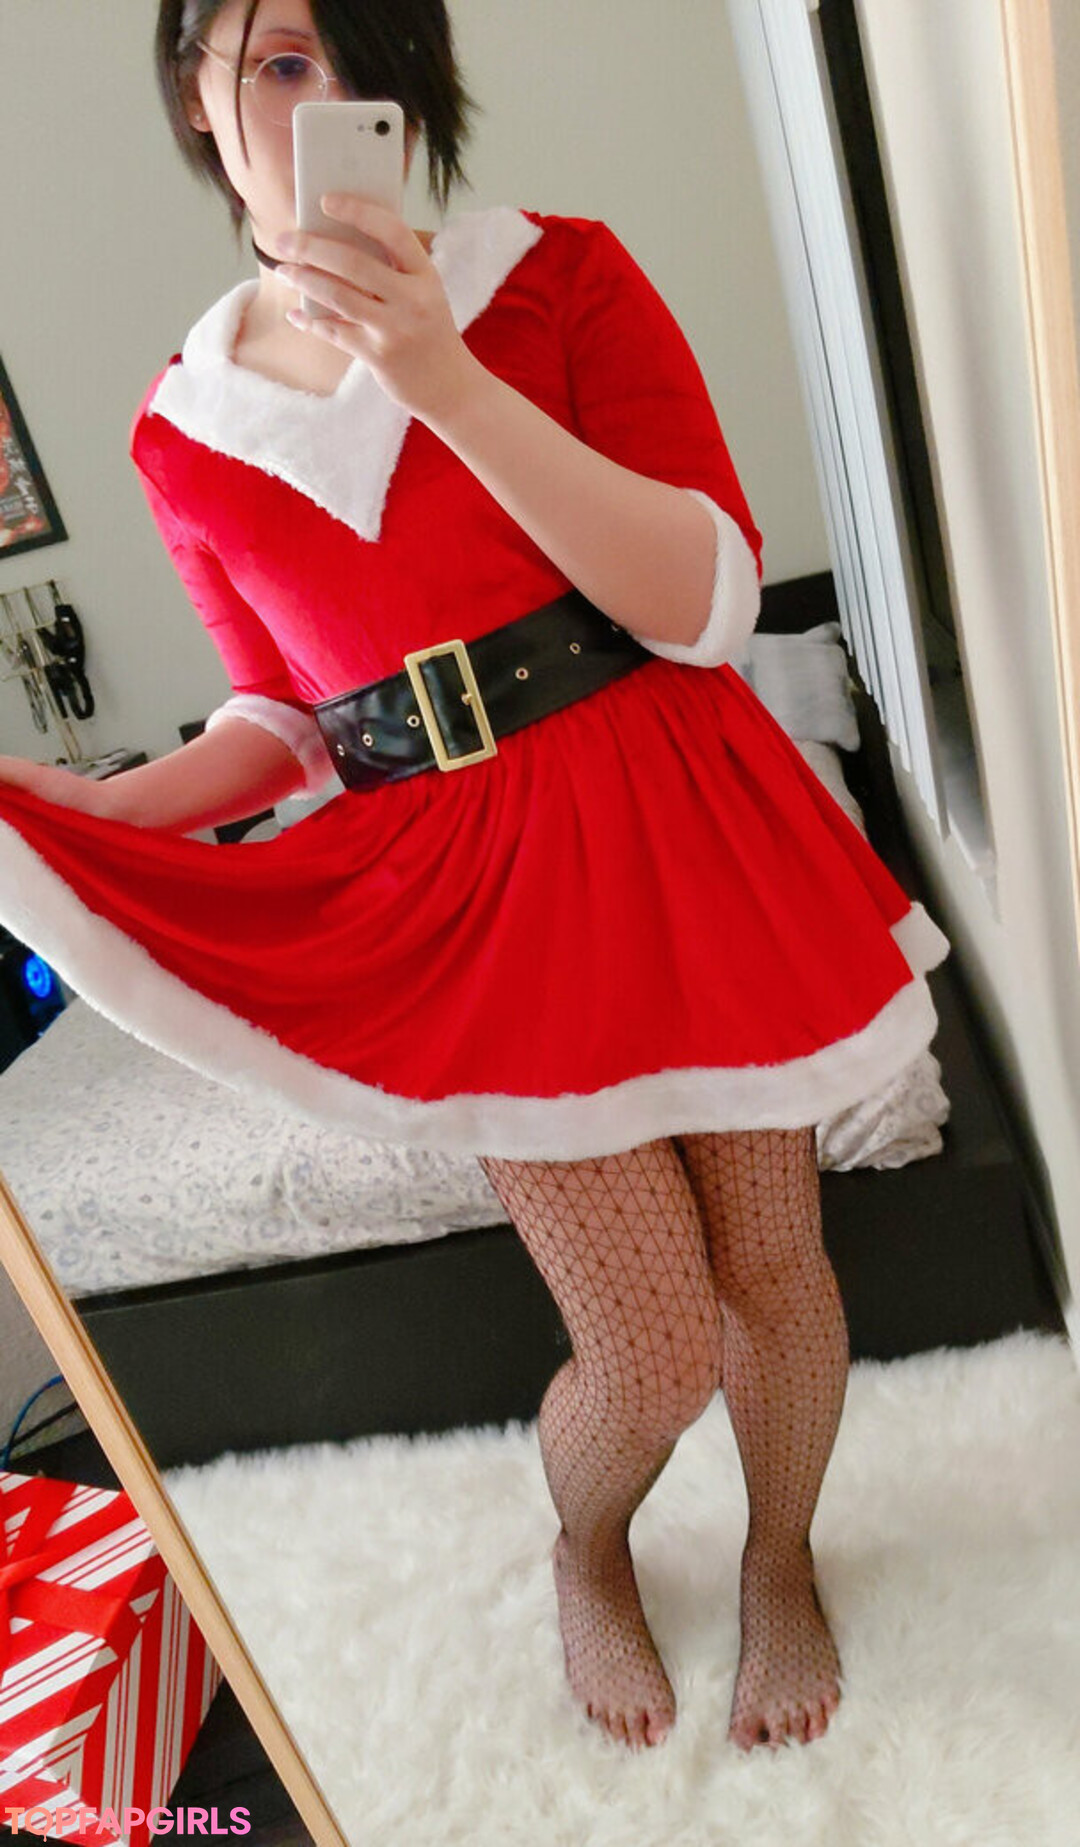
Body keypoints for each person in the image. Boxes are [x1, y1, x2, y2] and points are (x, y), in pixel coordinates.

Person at [0, 0, 948, 1753]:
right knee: (647, 1346)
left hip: (676, 812)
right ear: (196, 96)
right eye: (276, 60)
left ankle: (780, 1559)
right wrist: (108, 814)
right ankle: (587, 1547)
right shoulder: (180, 431)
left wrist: (446, 380)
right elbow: (282, 718)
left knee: (777, 1270)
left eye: (354, 56)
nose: (323, 95)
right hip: (475, 895)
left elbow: (710, 601)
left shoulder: (558, 278)